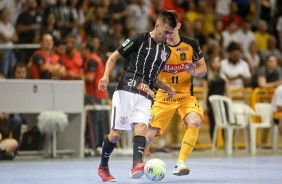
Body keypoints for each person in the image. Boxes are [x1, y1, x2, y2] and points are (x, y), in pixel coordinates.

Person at [97, 10, 178, 182]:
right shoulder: (138, 39)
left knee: (141, 127)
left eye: (171, 33)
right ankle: (103, 166)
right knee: (116, 133)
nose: (168, 37)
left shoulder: (166, 52)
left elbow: (152, 75)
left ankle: (136, 165)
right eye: (165, 32)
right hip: (127, 88)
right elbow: (113, 57)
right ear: (157, 26)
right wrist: (105, 76)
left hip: (147, 94)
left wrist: (166, 87)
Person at [145, 18, 207, 176]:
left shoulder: (191, 44)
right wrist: (163, 87)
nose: (169, 32)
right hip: (164, 96)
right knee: (148, 135)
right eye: (166, 29)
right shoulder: (159, 46)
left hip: (186, 96)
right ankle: (137, 164)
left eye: (172, 28)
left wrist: (195, 72)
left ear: (178, 26)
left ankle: (181, 163)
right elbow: (150, 74)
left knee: (195, 121)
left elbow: (203, 68)